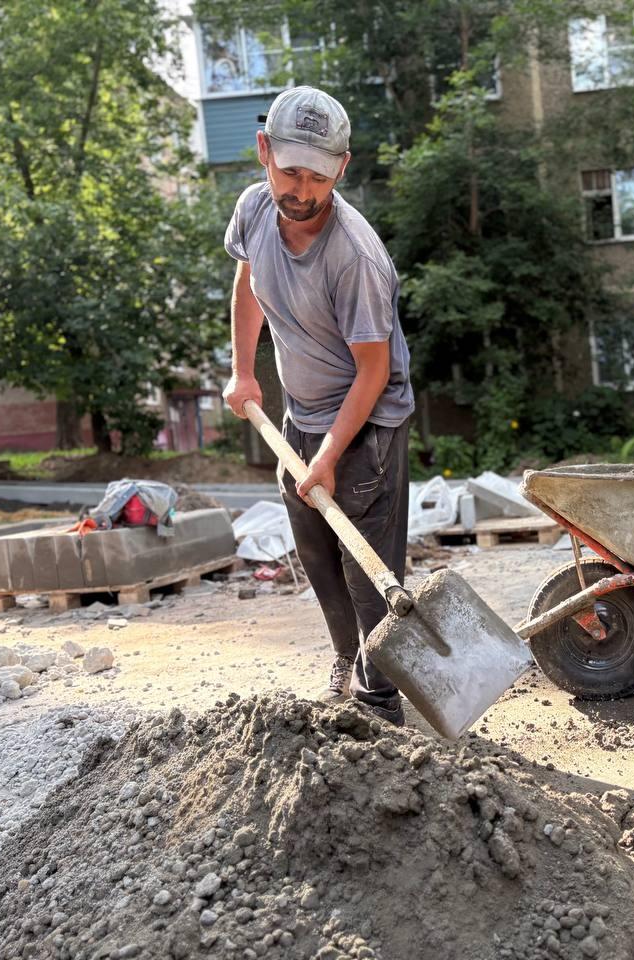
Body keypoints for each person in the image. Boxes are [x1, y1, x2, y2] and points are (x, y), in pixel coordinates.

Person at [221, 85, 414, 725]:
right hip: (298, 417)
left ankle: (380, 700)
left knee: (367, 571)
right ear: (263, 151)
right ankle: (345, 661)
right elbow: (248, 282)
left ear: (342, 169)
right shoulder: (254, 209)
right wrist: (243, 373)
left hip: (366, 425)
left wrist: (330, 455)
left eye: (318, 176)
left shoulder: (355, 256)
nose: (301, 190)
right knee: (316, 553)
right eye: (289, 170)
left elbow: (374, 370)